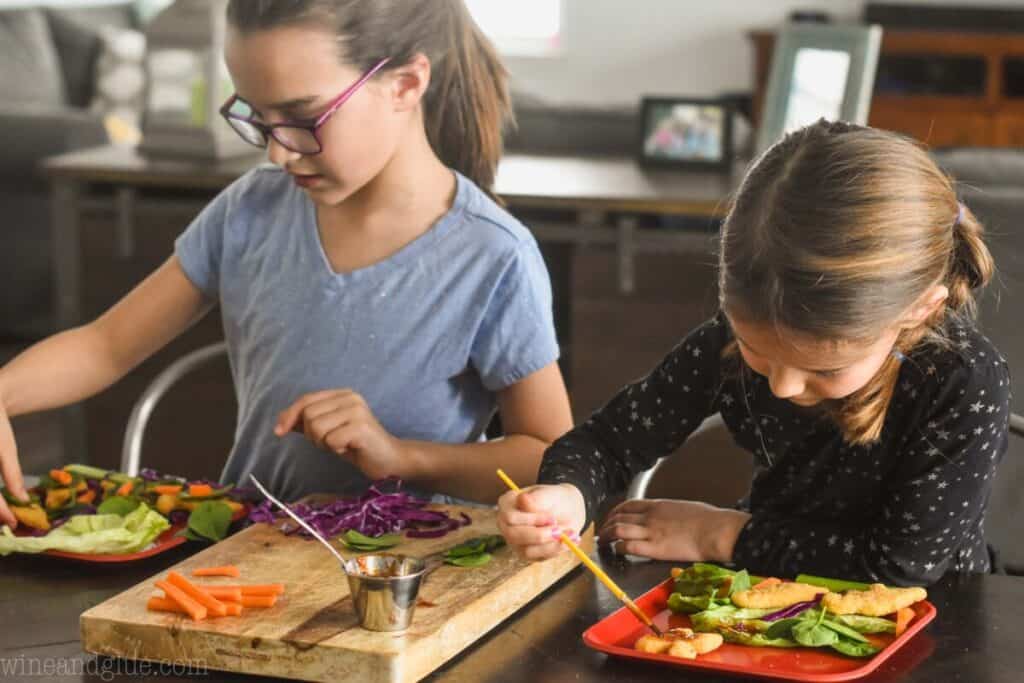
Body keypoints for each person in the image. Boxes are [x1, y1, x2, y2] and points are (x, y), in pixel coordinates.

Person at [0, 0, 573, 528]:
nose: (277, 150)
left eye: (304, 116)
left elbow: (548, 454)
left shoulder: (493, 255)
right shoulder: (251, 208)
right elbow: (106, 345)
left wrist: (401, 456)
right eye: (257, 115)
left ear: (405, 83)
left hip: (405, 582)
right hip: (247, 557)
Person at [498, 119, 1010, 586]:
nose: (781, 386)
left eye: (824, 369)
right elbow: (607, 444)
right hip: (770, 598)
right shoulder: (727, 343)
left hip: (939, 625)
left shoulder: (962, 381)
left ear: (919, 309)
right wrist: (566, 495)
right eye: (754, 349)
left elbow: (899, 566)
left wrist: (722, 535)